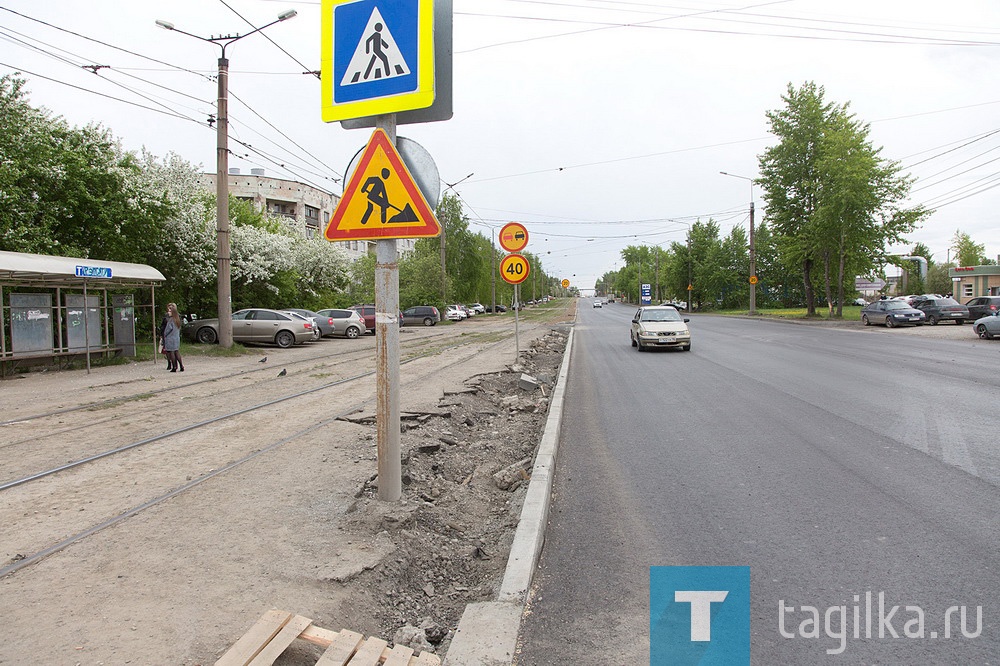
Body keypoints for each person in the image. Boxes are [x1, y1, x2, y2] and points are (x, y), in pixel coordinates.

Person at [162, 303, 184, 372]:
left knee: (171, 353)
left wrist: (164, 335)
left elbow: (168, 330)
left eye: (169, 311)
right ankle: (181, 366)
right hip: (176, 338)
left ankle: (174, 366)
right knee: (176, 352)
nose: (168, 312)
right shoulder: (177, 320)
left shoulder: (171, 320)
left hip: (170, 338)